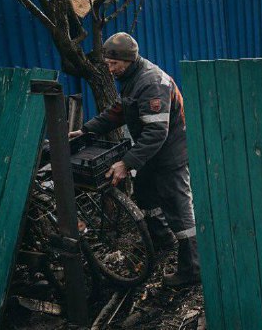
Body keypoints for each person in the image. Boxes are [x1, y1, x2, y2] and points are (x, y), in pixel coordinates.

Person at [70, 32, 200, 287]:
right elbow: (120, 110)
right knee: (146, 197)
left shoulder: (151, 83)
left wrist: (126, 162)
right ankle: (162, 240)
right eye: (107, 64)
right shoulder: (132, 77)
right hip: (150, 155)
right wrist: (87, 130)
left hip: (169, 155)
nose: (110, 69)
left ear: (128, 60)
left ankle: (193, 268)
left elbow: (156, 133)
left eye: (114, 64)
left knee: (180, 213)